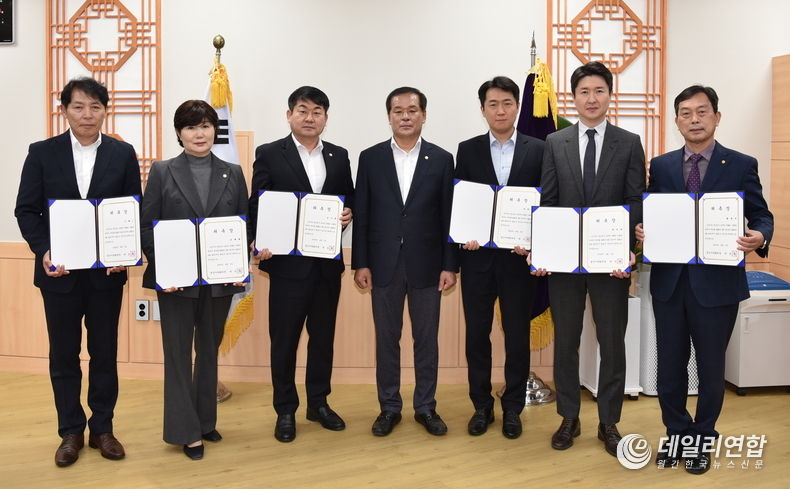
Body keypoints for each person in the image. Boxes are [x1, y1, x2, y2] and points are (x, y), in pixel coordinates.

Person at [636, 85, 773, 474]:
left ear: (716, 116)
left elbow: (761, 215)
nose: (694, 119)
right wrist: (644, 229)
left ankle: (702, 438)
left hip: (718, 285)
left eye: (702, 112)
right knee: (669, 368)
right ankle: (676, 434)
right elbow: (653, 211)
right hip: (670, 284)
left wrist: (760, 236)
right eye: (686, 113)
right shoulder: (662, 165)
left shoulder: (741, 164)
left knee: (712, 370)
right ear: (677, 120)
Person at [15, 77, 141, 467]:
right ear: (65, 110)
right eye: (79, 106)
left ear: (105, 111)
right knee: (64, 355)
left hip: (106, 276)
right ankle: (70, 431)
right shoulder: (42, 152)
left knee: (105, 353)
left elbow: (131, 209)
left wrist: (125, 252)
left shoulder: (123, 153)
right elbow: (26, 210)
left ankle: (103, 428)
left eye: (95, 107)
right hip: (60, 275)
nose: (87, 114)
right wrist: (44, 250)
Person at [533, 61, 645, 456]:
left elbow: (635, 199)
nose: (592, 98)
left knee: (612, 342)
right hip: (564, 265)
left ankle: (609, 422)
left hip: (611, 264)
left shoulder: (628, 142)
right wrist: (543, 250)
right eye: (584, 92)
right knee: (566, 342)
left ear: (609, 96)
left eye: (599, 91)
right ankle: (569, 417)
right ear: (574, 98)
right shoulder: (555, 142)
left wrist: (628, 250)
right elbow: (548, 200)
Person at [140, 100, 248, 460]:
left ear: (214, 130)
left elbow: (242, 225)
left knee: (208, 351)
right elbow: (147, 226)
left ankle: (205, 421)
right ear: (179, 133)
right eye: (190, 127)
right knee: (177, 354)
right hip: (176, 283)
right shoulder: (162, 171)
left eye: (205, 126)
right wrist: (164, 270)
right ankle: (185, 432)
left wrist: (241, 257)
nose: (199, 134)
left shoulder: (233, 172)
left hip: (219, 282)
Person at [248, 86, 354, 443]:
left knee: (323, 339)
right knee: (285, 341)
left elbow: (349, 198)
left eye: (317, 112)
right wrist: (256, 239)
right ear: (289, 114)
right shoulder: (269, 153)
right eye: (303, 110)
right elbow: (257, 202)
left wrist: (349, 212)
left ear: (326, 117)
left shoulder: (339, 156)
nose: (310, 118)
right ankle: (285, 410)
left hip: (326, 266)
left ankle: (318, 404)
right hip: (287, 268)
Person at [352, 87, 457, 437]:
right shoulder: (371, 158)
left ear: (424, 115)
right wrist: (361, 262)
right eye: (398, 111)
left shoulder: (441, 159)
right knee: (387, 339)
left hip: (428, 265)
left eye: (412, 110)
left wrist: (450, 265)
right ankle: (389, 407)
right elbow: (363, 213)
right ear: (389, 117)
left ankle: (426, 407)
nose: (406, 116)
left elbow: (449, 216)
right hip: (383, 264)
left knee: (426, 340)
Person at [455, 76, 545, 439]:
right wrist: (464, 235)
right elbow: (460, 200)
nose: (500, 110)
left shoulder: (539, 149)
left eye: (507, 103)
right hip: (477, 260)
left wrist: (534, 241)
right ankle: (481, 406)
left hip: (518, 261)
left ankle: (512, 408)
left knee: (517, 336)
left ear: (517, 107)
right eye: (493, 104)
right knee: (477, 335)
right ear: (483, 110)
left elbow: (548, 201)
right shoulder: (467, 149)